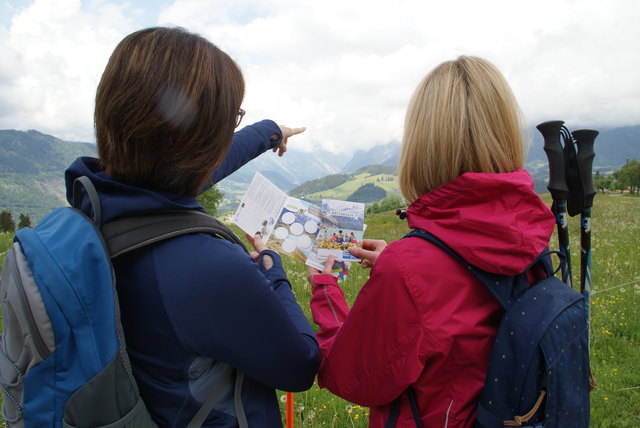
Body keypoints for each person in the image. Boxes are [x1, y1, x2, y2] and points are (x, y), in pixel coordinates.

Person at [65, 27, 319, 427]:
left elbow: (188, 169)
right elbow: (301, 365)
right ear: (200, 137)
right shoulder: (208, 267)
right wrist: (275, 276)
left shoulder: (101, 206)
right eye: (231, 118)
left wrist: (269, 132)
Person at [307, 56, 556, 427]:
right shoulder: (529, 234)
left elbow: (348, 378)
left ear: (421, 145)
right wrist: (407, 262)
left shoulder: (410, 270)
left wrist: (325, 290)